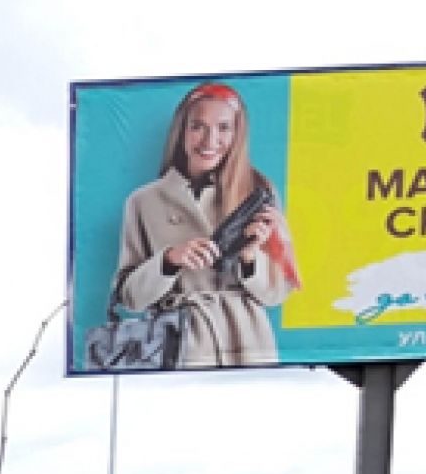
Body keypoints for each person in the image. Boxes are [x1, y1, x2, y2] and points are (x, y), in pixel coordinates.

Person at [111, 82, 301, 369]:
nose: (210, 140)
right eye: (198, 126)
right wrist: (169, 260)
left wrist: (249, 258)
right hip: (178, 343)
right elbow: (130, 298)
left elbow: (276, 294)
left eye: (224, 128)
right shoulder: (143, 201)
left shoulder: (259, 191)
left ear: (237, 134)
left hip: (247, 342)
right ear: (181, 132)